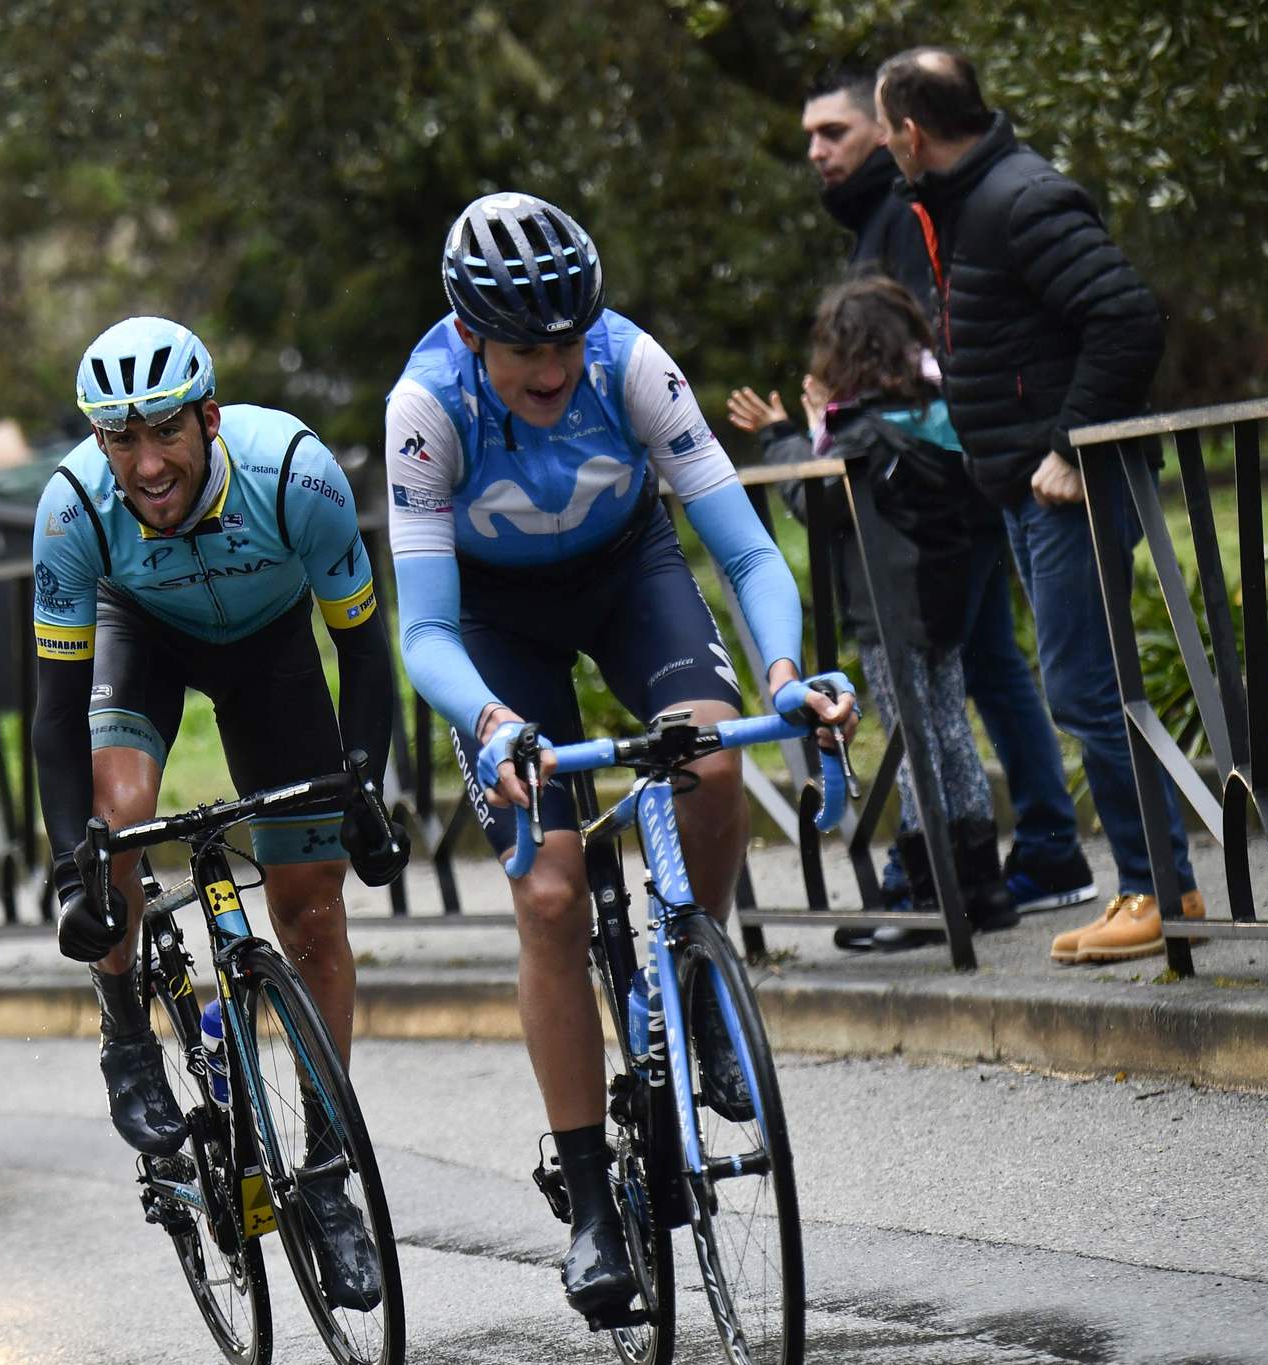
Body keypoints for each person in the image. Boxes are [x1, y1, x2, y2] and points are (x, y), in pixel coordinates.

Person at [386, 192, 855, 1317]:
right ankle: (591, 1201)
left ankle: (694, 979)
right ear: (469, 334)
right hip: (491, 620)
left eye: (562, 342)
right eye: (522, 350)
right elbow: (426, 633)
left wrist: (784, 674)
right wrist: (494, 724)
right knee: (549, 896)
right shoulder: (425, 408)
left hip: (624, 571)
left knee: (712, 758)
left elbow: (743, 551)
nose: (550, 370)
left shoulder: (630, 362)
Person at [32, 315, 405, 1310]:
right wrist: (78, 872)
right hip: (140, 638)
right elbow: (55, 710)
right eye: (122, 439)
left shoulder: (294, 474)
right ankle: (124, 1033)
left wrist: (362, 784)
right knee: (118, 818)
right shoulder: (72, 508)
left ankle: (326, 1177)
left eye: (164, 432)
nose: (146, 463)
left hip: (270, 649)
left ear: (208, 416)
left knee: (313, 913)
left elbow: (366, 651)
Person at [729, 65, 1093, 943]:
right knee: (973, 684)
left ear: (891, 134)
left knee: (936, 710)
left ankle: (949, 877)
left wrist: (802, 436)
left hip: (917, 547)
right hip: (955, 515)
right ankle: (1004, 863)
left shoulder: (908, 214)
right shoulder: (889, 219)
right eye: (809, 137)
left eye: (837, 133)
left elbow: (877, 439)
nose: (816, 151)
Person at [875, 47, 1203, 961]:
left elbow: (1129, 316)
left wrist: (1069, 444)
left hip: (1068, 485)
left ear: (909, 132)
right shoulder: (969, 202)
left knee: (1089, 692)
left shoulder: (1019, 199)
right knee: (1087, 690)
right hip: (1023, 485)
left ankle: (1157, 891)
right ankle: (1161, 886)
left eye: (881, 129)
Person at [773, 277, 1018, 940]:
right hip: (944, 598)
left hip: (887, 609)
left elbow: (819, 504)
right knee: (949, 728)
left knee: (913, 743)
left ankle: (929, 892)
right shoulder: (937, 407)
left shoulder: (864, 430)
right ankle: (982, 886)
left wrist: (785, 438)